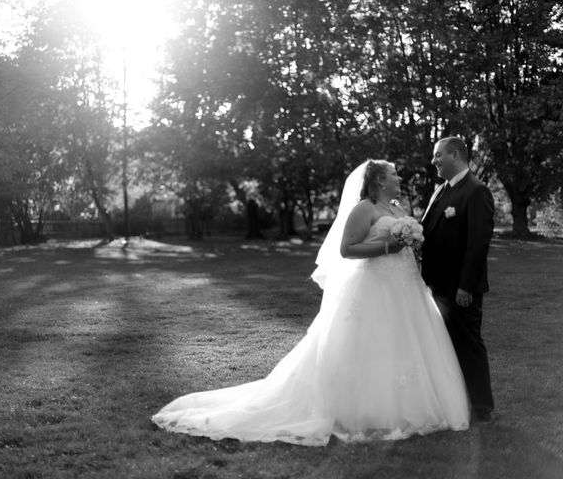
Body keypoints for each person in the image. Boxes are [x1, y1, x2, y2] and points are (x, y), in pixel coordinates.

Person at [151, 160, 469, 446]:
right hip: (375, 285)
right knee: (368, 342)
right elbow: (347, 249)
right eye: (393, 174)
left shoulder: (397, 209)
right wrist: (390, 246)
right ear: (378, 181)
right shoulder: (364, 209)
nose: (399, 177)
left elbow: (407, 242)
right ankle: (361, 410)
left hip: (405, 287)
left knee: (402, 343)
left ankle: (406, 406)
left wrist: (411, 242)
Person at [421, 137, 496, 423]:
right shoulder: (441, 191)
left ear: (455, 154)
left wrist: (465, 286)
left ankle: (482, 406)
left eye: (438, 155)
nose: (434, 161)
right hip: (435, 285)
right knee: (443, 344)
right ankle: (452, 400)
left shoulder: (477, 191)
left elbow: (478, 244)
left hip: (459, 289)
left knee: (468, 343)